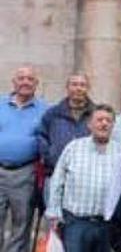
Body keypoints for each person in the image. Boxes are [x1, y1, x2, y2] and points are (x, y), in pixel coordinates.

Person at [46, 104, 121, 252]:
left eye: (108, 121)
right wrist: (54, 214)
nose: (104, 124)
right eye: (99, 120)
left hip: (106, 224)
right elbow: (57, 181)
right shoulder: (73, 148)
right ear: (89, 124)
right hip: (76, 222)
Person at [0, 65, 47, 252]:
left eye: (30, 78)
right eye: (21, 78)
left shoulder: (45, 110)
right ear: (14, 81)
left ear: (36, 84)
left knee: (22, 219)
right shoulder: (0, 104)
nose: (25, 82)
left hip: (25, 170)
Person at [38, 73, 94, 203]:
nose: (78, 88)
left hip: (84, 177)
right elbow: (41, 135)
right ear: (67, 87)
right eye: (74, 84)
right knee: (53, 218)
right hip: (54, 173)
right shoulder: (53, 113)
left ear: (88, 88)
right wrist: (49, 155)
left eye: (82, 85)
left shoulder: (95, 113)